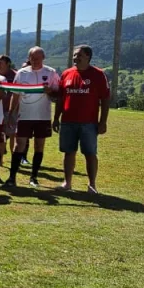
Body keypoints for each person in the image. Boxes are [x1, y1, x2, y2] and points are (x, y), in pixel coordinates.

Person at [53, 45, 110, 193]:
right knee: (68, 152)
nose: (75, 58)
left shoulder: (98, 75)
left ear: (88, 57)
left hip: (89, 123)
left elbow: (105, 99)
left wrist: (103, 121)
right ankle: (67, 183)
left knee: (90, 153)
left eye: (79, 55)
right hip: (67, 121)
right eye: (74, 55)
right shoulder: (66, 74)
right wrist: (56, 118)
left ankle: (92, 185)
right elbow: (60, 98)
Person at [7, 46, 60, 186]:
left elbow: (58, 93)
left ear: (43, 58)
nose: (35, 61)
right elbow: (15, 94)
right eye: (32, 58)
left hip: (43, 117)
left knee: (39, 146)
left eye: (38, 58)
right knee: (19, 146)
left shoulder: (51, 72)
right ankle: (12, 177)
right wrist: (11, 113)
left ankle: (33, 177)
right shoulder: (22, 73)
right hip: (24, 116)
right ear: (29, 58)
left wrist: (50, 91)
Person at [0, 55, 18, 157]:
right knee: (0, 134)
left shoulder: (15, 75)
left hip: (13, 110)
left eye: (0, 63)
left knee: (13, 134)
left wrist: (13, 109)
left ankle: (14, 158)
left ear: (8, 64)